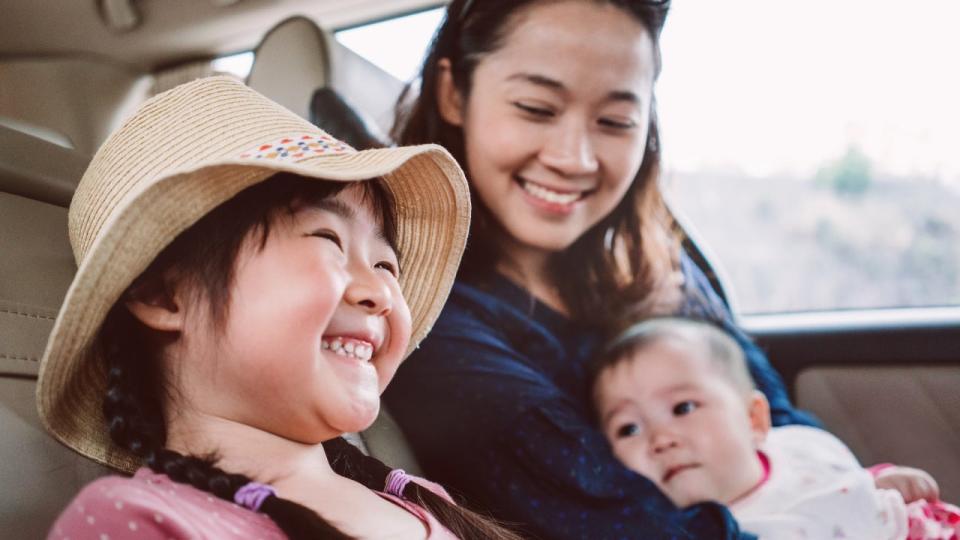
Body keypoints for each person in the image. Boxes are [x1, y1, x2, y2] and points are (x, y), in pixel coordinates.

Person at [385, 0, 818, 538]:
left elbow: (786, 431)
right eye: (536, 108)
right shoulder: (433, 325)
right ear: (454, 93)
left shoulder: (656, 260)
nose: (575, 158)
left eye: (615, 121)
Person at [38, 76, 521, 540]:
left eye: (386, 264)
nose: (380, 290)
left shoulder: (419, 499)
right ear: (164, 295)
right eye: (328, 238)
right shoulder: (137, 522)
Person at [591, 317, 960, 540]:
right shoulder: (696, 530)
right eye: (628, 429)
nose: (660, 439)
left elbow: (845, 480)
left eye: (683, 408)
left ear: (753, 419)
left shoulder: (798, 446)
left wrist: (884, 480)